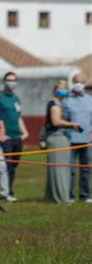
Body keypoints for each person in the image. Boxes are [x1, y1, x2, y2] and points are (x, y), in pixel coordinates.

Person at [44, 80, 81, 204]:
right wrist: (72, 124)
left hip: (61, 137)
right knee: (60, 170)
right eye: (61, 87)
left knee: (61, 169)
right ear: (55, 89)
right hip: (57, 138)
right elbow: (55, 122)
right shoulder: (55, 104)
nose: (64, 90)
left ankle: (54, 196)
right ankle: (61, 198)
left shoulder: (60, 103)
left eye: (65, 87)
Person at [0, 71, 29, 199]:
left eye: (14, 80)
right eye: (9, 80)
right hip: (6, 137)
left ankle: (9, 190)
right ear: (4, 81)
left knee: (14, 166)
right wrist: (0, 134)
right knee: (7, 166)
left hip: (17, 137)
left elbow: (18, 117)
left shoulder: (16, 98)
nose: (11, 82)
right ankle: (6, 192)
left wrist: (25, 132)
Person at [63, 73, 92, 203]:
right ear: (72, 83)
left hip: (87, 140)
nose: (78, 84)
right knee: (71, 169)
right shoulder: (66, 100)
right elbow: (62, 120)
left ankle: (84, 195)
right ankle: (69, 195)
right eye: (76, 81)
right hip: (71, 139)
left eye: (81, 81)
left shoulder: (90, 99)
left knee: (86, 169)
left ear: (85, 84)